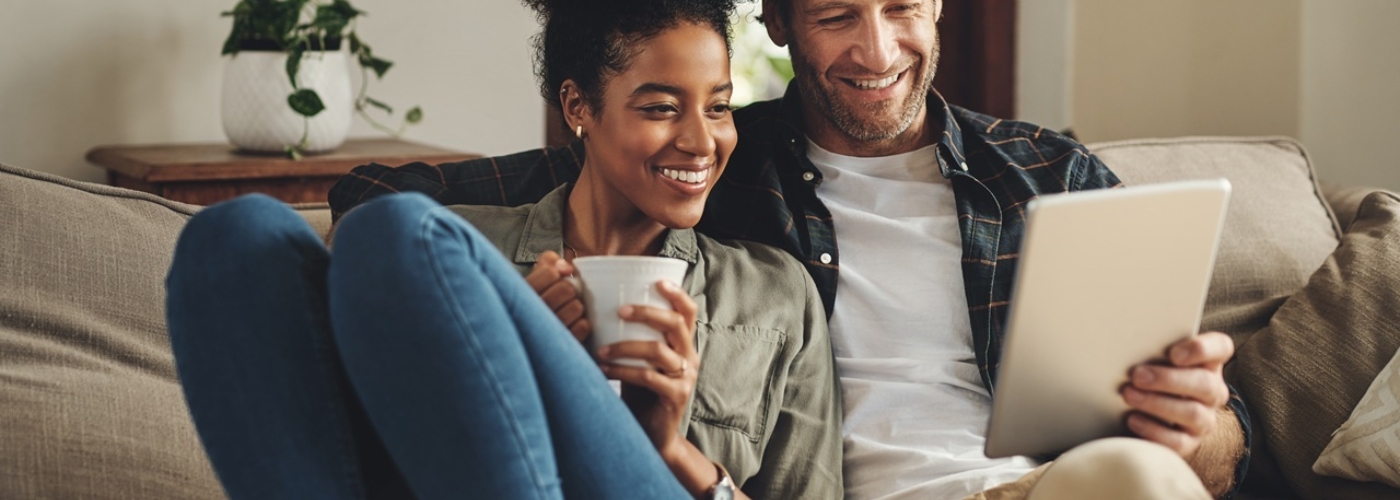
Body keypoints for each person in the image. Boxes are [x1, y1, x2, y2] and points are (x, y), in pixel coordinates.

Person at [329, 0, 1250, 498]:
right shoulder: (718, 162)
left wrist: (1196, 421)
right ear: (777, 20)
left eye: (901, 7)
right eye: (838, 14)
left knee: (1141, 473)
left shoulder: (1047, 172)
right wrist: (504, 294)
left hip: (1053, 492)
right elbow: (381, 205)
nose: (877, 48)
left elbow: (1222, 454)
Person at [166, 0, 842, 498]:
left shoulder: (776, 295)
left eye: (719, 107)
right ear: (578, 106)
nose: (701, 142)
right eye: (661, 108)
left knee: (394, 230)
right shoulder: (464, 259)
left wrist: (670, 450)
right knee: (231, 237)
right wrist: (502, 348)